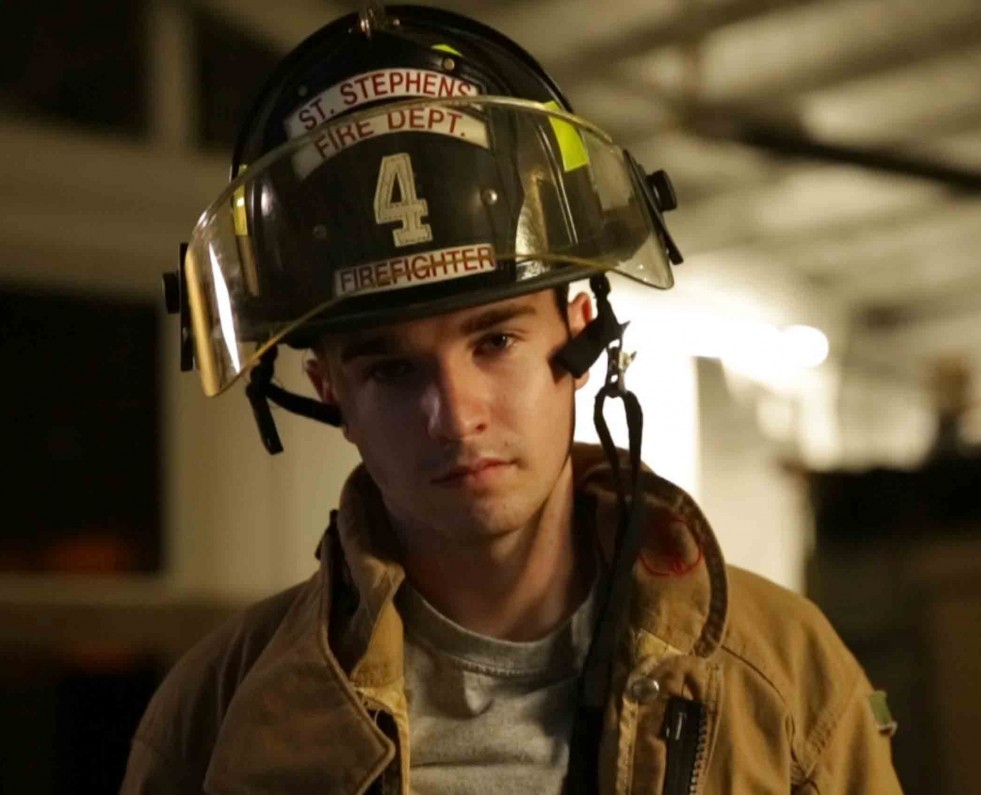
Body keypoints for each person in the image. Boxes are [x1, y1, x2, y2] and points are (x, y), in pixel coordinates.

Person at [122, 5, 903, 793]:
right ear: (333, 395)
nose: (457, 415)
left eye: (495, 341)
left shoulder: (785, 675)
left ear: (581, 337)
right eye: (391, 371)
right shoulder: (218, 713)